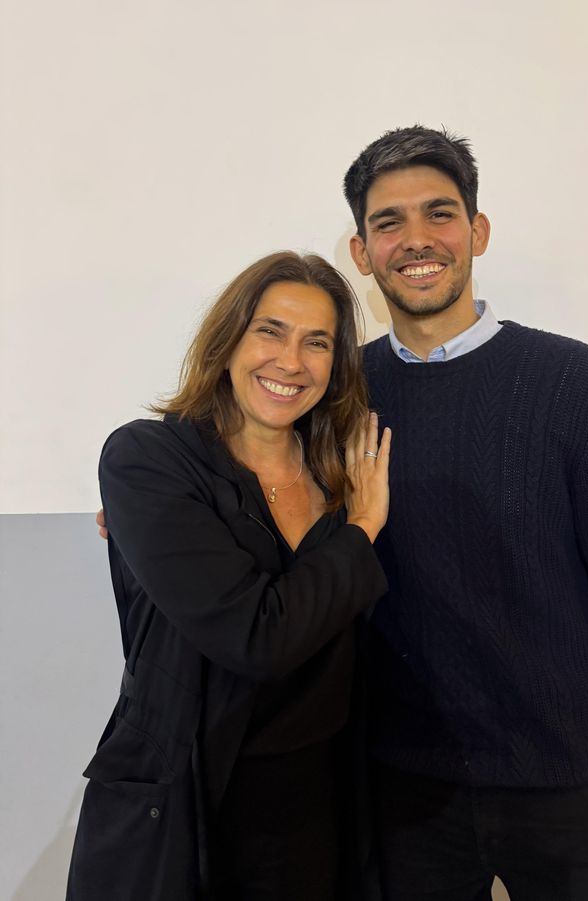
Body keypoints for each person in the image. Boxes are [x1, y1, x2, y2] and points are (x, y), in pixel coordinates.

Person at [343, 127, 588, 901]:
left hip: (571, 791)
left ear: (477, 232)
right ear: (361, 252)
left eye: (439, 214)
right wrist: (152, 490)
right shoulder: (344, 393)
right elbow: (246, 449)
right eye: (387, 223)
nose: (416, 240)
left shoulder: (572, 381)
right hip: (407, 794)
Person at [68, 251, 392, 901]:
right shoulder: (150, 459)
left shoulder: (341, 473)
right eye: (269, 330)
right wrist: (361, 530)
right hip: (191, 816)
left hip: (320, 813)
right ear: (228, 339)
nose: (290, 361)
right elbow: (257, 638)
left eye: (317, 342)